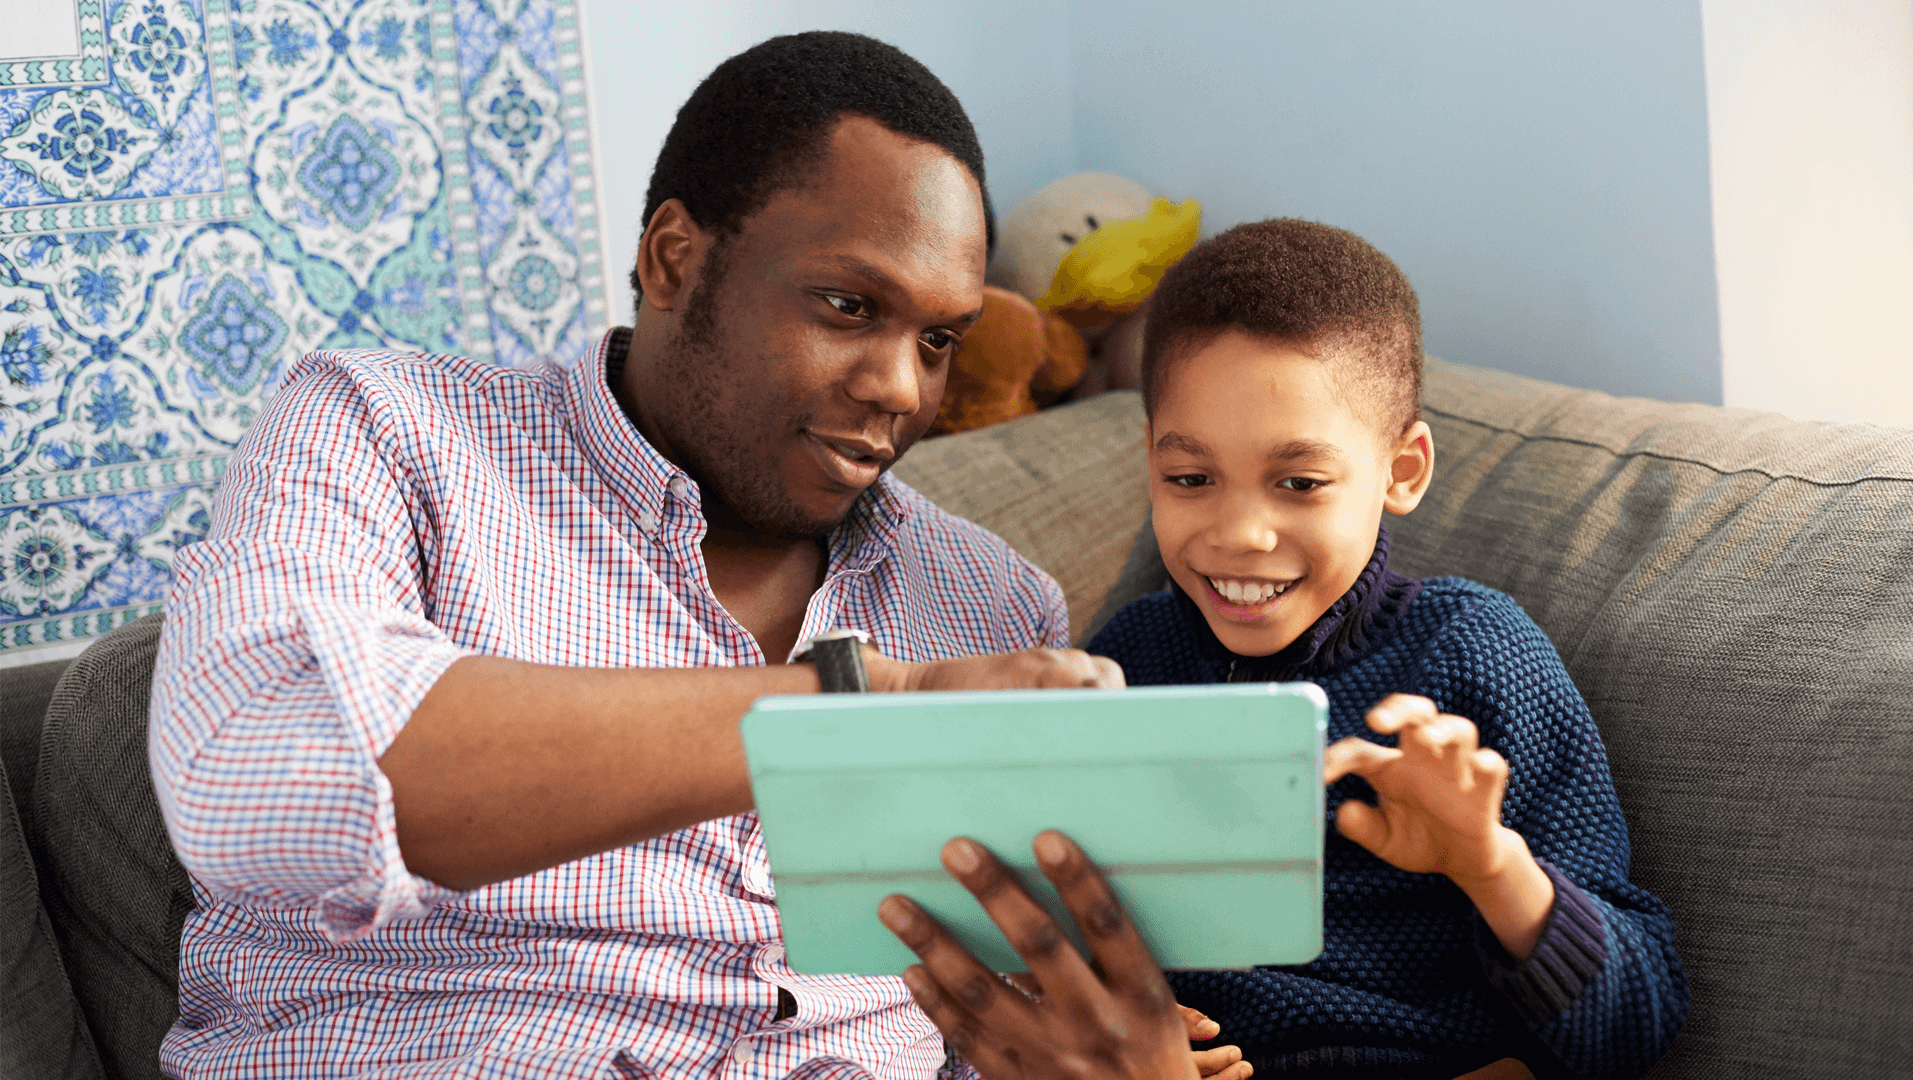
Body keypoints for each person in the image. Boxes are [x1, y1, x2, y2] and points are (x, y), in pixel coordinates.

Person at [147, 31, 1153, 1079]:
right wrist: (861, 708)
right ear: (675, 258)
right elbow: (250, 775)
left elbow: (993, 1020)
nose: (903, 388)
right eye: (850, 306)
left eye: (939, 340)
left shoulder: (996, 604)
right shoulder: (391, 431)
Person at [1075, 220, 1690, 1077]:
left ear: (1401, 472)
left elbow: (1635, 1023)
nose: (1242, 533)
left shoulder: (1474, 651)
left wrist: (1490, 865)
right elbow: (1067, 920)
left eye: (1300, 484)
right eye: (1190, 478)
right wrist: (1125, 1027)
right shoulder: (1123, 665)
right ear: (1149, 463)